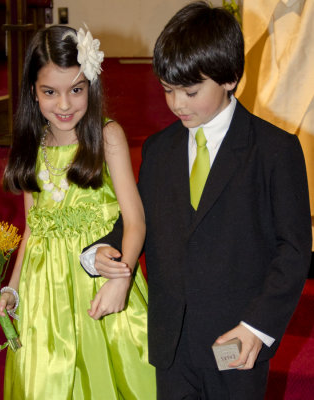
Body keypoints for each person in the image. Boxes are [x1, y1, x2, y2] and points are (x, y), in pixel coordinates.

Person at [80, 2, 312, 399]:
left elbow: (293, 250)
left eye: (190, 91)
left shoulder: (274, 150)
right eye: (168, 90)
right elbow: (139, 221)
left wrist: (257, 326)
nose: (177, 105)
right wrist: (102, 251)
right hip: (172, 343)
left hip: (235, 341)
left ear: (230, 78)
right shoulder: (159, 149)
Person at [0, 25, 156, 400]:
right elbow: (33, 231)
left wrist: (121, 279)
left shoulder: (108, 136)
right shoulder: (31, 146)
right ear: (33, 91)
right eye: (50, 92)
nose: (64, 105)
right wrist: (12, 289)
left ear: (90, 87)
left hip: (101, 281)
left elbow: (136, 220)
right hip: (46, 295)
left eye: (76, 90)